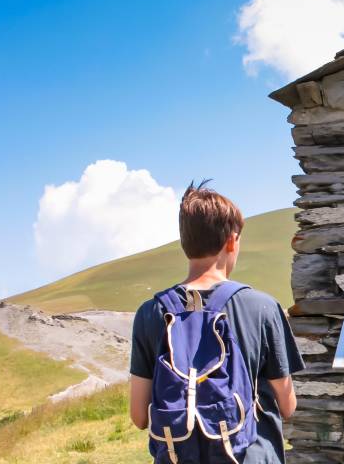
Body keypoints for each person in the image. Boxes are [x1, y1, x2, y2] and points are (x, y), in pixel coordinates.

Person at [129, 181, 305, 463]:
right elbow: (287, 405)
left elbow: (139, 415)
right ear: (232, 240)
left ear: (185, 242)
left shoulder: (150, 313)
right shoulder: (262, 307)